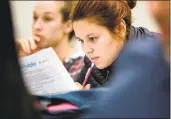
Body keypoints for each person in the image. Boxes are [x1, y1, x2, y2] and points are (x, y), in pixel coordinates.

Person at [71, 0, 162, 88]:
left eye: (93, 38)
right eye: (81, 40)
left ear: (120, 28)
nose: (87, 50)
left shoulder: (161, 55)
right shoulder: (91, 65)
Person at [16, 1, 84, 81]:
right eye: (35, 17)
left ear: (68, 25)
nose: (36, 26)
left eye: (47, 19)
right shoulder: (25, 58)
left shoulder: (84, 67)